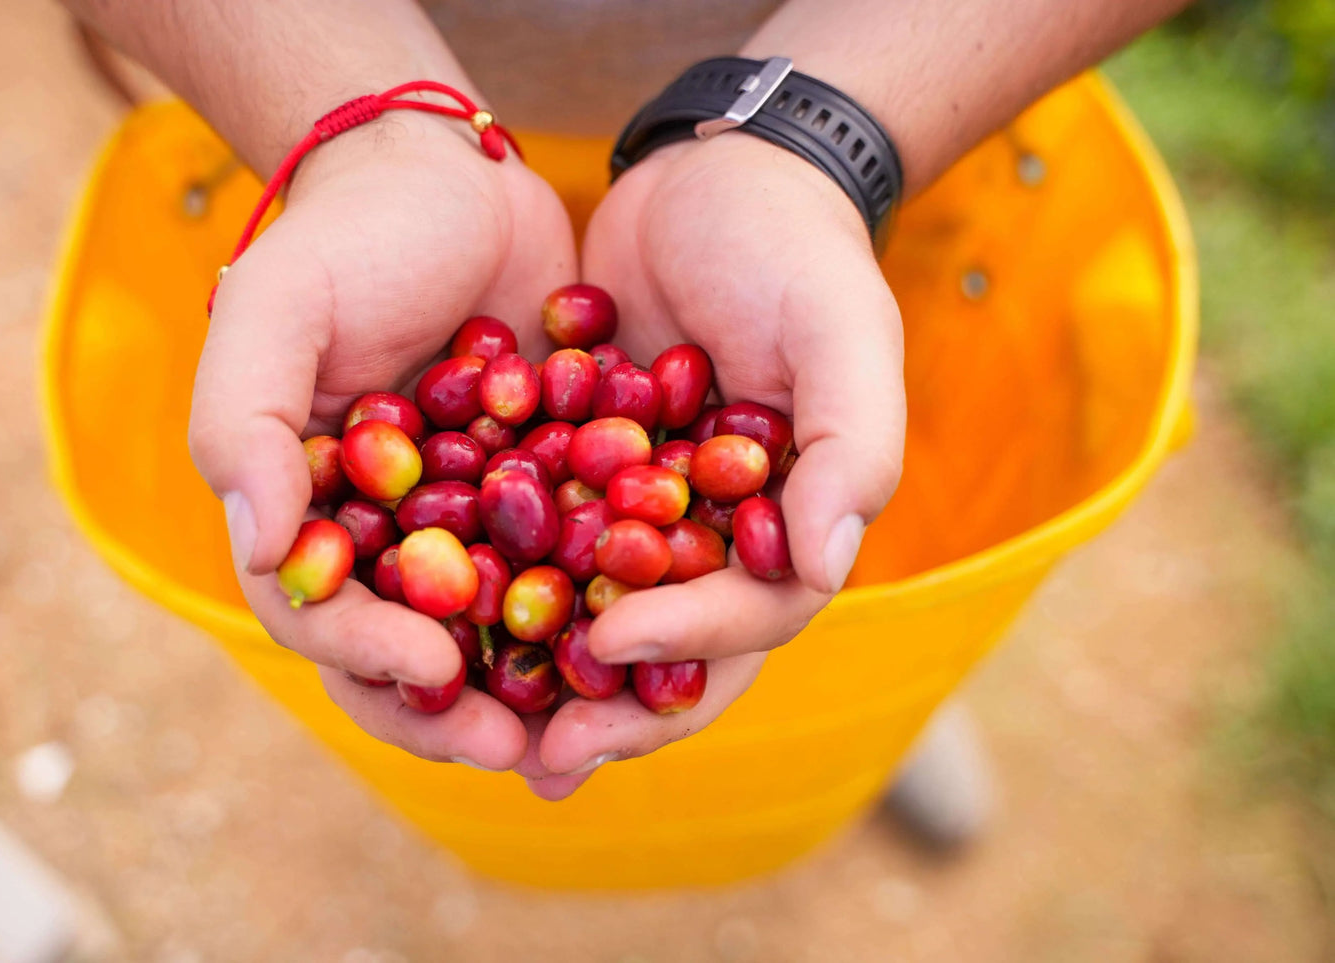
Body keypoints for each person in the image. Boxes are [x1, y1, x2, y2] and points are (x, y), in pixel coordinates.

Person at [59, 0, 1192, 819]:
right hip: (326, 91)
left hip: (903, 101)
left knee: (850, 424)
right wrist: (361, 130)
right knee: (787, 489)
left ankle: (878, 709)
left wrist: (821, 140)